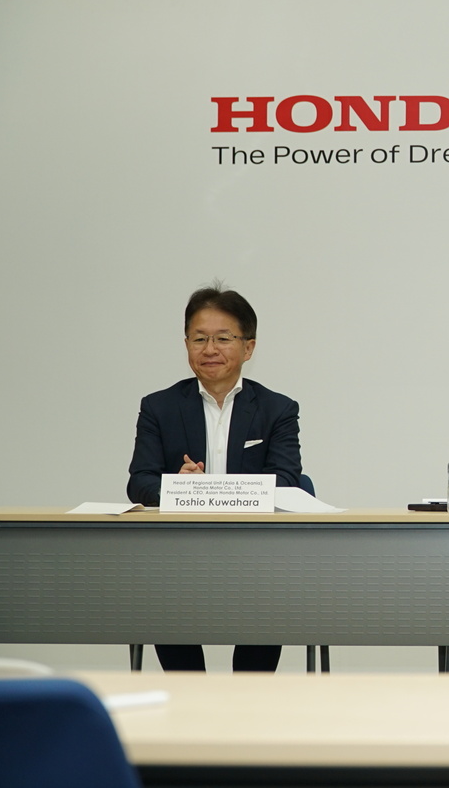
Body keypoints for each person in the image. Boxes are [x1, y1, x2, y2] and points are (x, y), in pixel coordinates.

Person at [127, 284, 304, 672]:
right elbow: (140, 482)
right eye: (199, 339)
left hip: (256, 558)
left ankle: (248, 701)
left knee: (267, 597)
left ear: (248, 347)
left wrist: (206, 490)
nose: (210, 349)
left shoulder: (277, 409)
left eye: (223, 338)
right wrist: (177, 486)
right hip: (180, 557)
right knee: (164, 597)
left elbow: (287, 480)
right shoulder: (159, 407)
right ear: (186, 344)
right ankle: (190, 698)